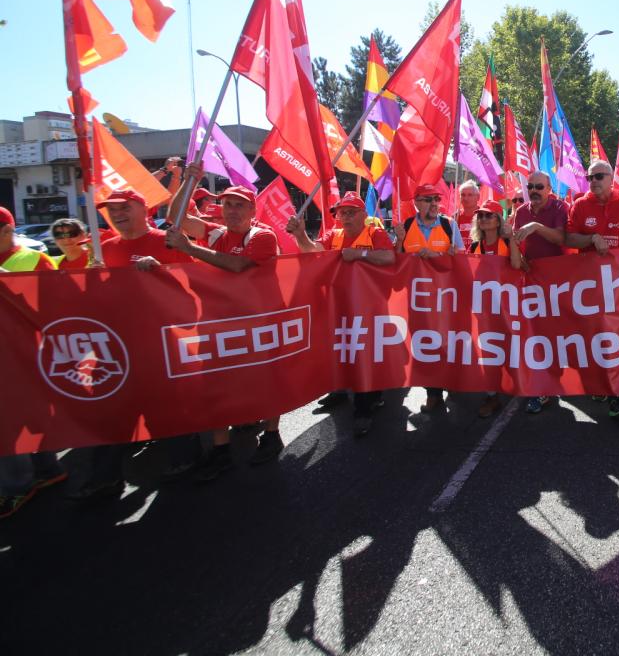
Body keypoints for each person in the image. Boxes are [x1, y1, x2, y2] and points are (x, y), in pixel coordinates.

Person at [69, 190, 197, 501]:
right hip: (117, 344)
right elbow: (92, 302)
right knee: (110, 410)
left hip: (160, 344)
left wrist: (160, 275)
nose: (117, 214)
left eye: (125, 207)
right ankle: (104, 479)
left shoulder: (168, 242)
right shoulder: (104, 250)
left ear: (143, 208)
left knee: (166, 407)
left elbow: (194, 298)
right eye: (111, 210)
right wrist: (90, 280)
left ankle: (186, 458)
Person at [167, 170, 285, 476]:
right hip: (219, 321)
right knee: (214, 383)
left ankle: (272, 436)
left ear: (252, 211)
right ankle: (221, 449)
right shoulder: (216, 233)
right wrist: (189, 181)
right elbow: (175, 216)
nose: (231, 210)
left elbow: (237, 265)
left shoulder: (262, 236)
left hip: (258, 322)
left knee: (265, 381)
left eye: (239, 205)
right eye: (227, 204)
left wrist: (189, 248)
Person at [288, 191, 396, 436]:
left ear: (363, 214)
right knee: (340, 349)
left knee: (364, 354)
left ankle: (364, 408)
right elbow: (312, 252)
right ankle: (339, 390)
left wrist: (360, 254)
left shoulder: (375, 233)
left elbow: (389, 257)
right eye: (341, 212)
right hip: (337, 305)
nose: (345, 217)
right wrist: (299, 234)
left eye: (351, 212)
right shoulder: (333, 235)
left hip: (369, 308)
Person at [0, 206, 67, 518]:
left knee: (12, 422)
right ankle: (44, 469)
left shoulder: (32, 258)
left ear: (6, 230)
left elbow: (56, 302)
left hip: (25, 351)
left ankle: (17, 485)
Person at [566, 160, 619, 418]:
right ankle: (600, 384)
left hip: (618, 285)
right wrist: (590, 238)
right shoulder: (580, 205)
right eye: (590, 177)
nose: (594, 181)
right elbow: (569, 238)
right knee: (595, 337)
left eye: (599, 176)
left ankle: (618, 393)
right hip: (588, 287)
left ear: (611, 178)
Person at [397, 183, 463, 412]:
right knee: (424, 345)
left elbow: (462, 260)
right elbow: (396, 262)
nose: (434, 203)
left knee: (447, 342)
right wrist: (398, 241)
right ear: (416, 202)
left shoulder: (448, 224)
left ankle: (451, 381)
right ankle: (433, 393)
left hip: (445, 297)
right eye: (428, 199)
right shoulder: (405, 226)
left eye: (436, 199)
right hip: (417, 300)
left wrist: (438, 256)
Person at [511, 171, 570, 413]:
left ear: (549, 188)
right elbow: (516, 241)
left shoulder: (559, 207)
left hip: (562, 280)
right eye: (530, 186)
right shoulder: (521, 211)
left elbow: (560, 238)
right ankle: (543, 387)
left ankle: (560, 379)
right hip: (533, 280)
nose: (534, 190)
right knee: (537, 332)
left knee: (558, 332)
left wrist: (536, 226)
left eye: (539, 186)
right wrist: (521, 257)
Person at [469, 200, 519, 418]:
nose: (483, 219)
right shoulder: (473, 247)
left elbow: (517, 265)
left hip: (508, 307)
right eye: (480, 216)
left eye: (488, 215)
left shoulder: (506, 243)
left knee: (511, 347)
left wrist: (512, 240)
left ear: (498, 220)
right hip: (485, 309)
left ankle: (519, 383)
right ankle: (492, 394)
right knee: (489, 350)